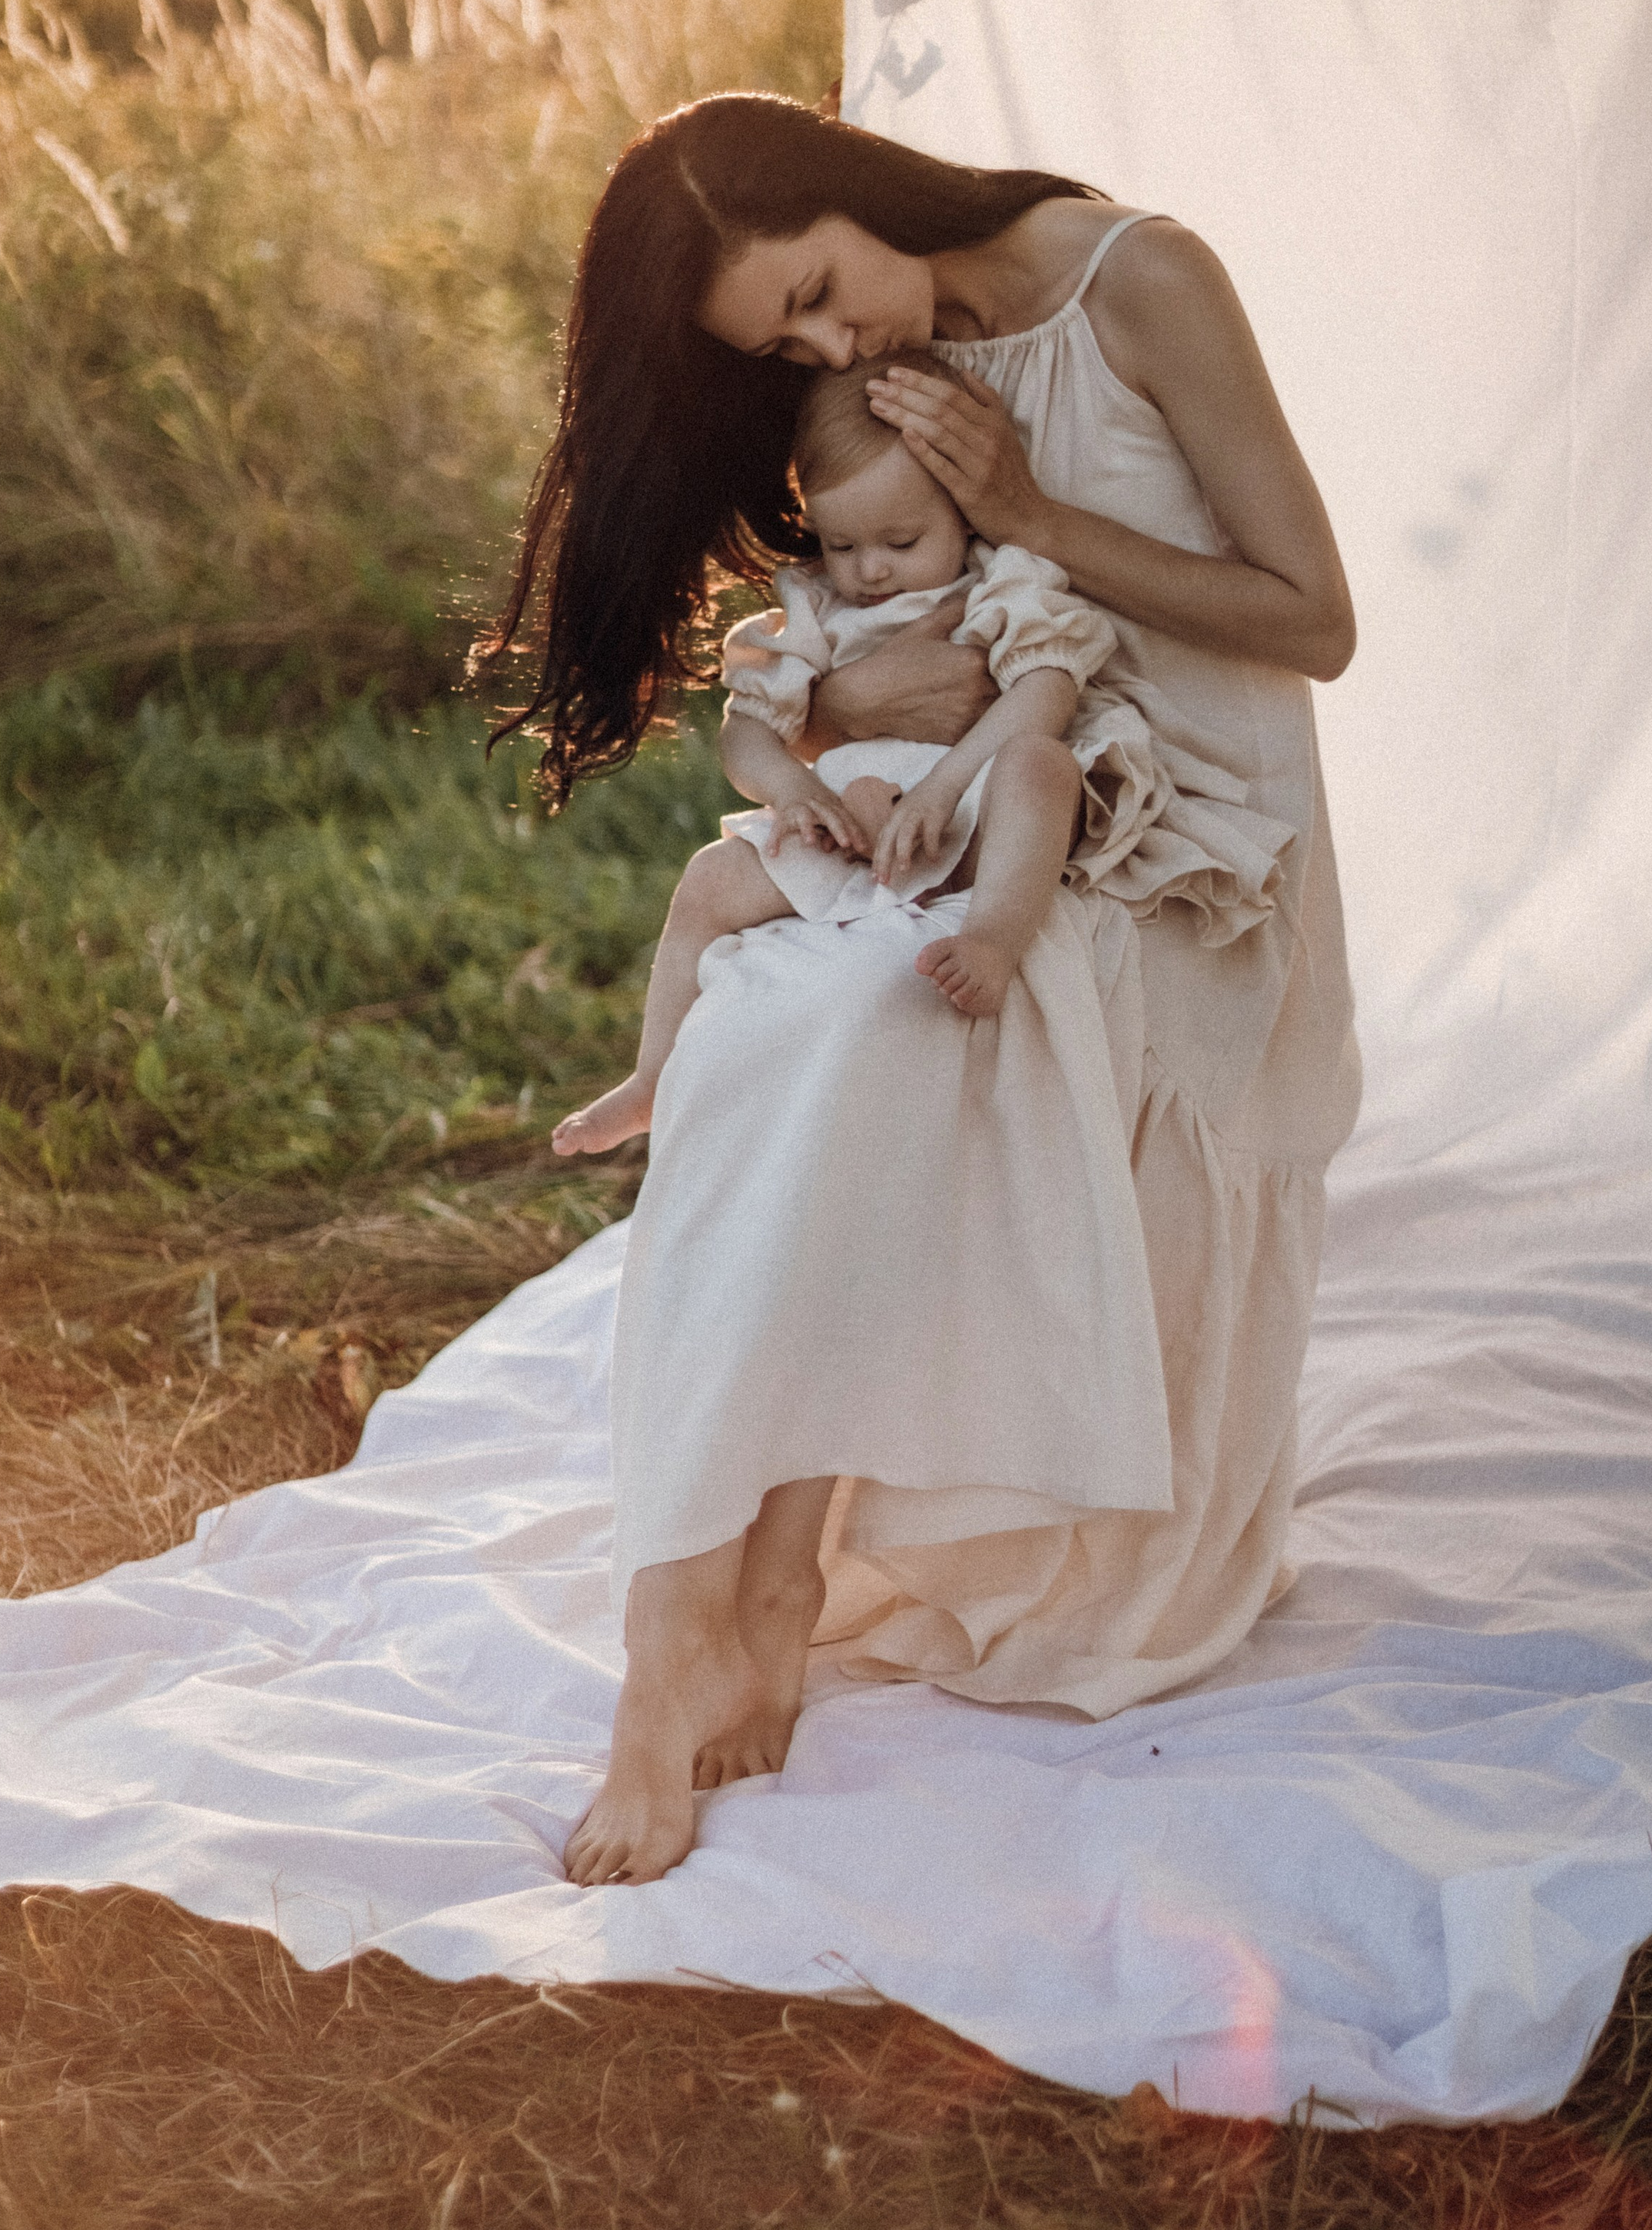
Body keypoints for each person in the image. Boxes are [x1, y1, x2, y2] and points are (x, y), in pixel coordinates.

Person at [478, 92, 1360, 1888]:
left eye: (815, 292)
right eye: (780, 344)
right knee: (753, 1024)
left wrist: (1023, 508)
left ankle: (751, 1587)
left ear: (847, 186)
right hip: (956, 818)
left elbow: (1312, 618)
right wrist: (832, 717)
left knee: (856, 1022)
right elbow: (855, 637)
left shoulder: (1137, 280)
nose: (827, 347)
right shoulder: (874, 370)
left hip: (1179, 828)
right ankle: (700, 1609)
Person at [551, 348, 1127, 1158]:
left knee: (1043, 766)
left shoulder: (999, 585)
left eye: (901, 540)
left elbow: (1047, 691)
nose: (871, 569)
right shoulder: (815, 606)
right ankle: (653, 1076)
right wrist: (791, 790)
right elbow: (747, 729)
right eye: (843, 544)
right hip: (851, 829)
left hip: (972, 807)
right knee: (709, 878)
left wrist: (943, 788)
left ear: (961, 512)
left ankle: (993, 939)